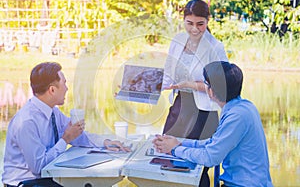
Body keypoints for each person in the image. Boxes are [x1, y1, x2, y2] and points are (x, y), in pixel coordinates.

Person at [2, 62, 130, 187]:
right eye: (64, 83)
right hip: (26, 182)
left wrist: (105, 142)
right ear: (52, 90)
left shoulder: (53, 112)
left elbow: (77, 135)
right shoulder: (26, 122)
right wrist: (66, 139)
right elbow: (39, 167)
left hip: (48, 178)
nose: (67, 88)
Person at [153, 61, 273, 187]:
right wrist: (180, 142)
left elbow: (210, 157)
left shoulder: (236, 117)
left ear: (212, 91)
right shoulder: (243, 107)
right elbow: (214, 143)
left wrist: (174, 149)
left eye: (206, 84)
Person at [162, 0, 228, 186]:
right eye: (189, 23)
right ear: (183, 20)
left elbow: (220, 87)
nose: (194, 29)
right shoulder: (177, 42)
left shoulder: (216, 47)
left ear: (208, 21)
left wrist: (190, 85)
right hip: (179, 108)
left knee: (196, 168)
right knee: (168, 161)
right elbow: (168, 75)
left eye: (200, 24)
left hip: (203, 113)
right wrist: (140, 88)